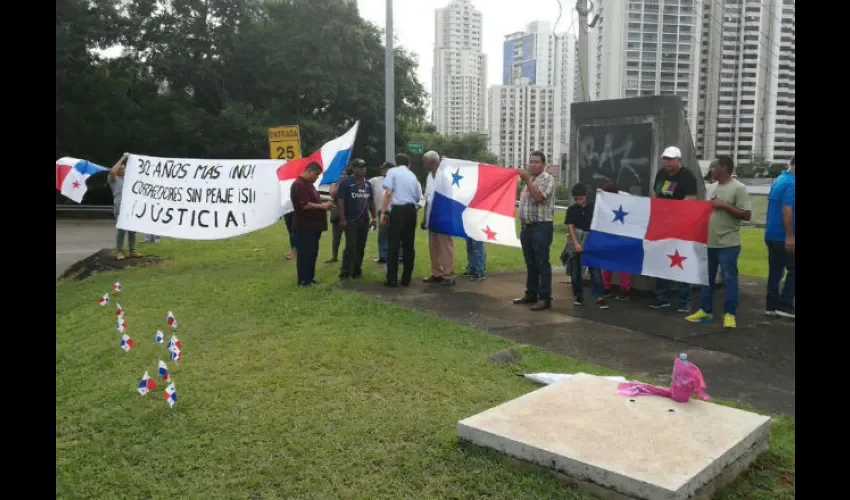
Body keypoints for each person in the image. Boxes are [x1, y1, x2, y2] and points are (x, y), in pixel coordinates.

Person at [686, 157, 752, 328]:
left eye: (714, 166)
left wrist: (724, 206)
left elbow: (747, 215)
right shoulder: (712, 188)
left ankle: (730, 314)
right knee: (707, 278)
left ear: (724, 168)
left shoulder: (739, 188)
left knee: (730, 279)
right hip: (710, 241)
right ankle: (705, 310)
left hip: (729, 243)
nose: (711, 169)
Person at [650, 146, 698, 312]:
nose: (667, 162)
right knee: (660, 260)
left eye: (671, 159)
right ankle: (661, 297)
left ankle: (685, 300)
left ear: (679, 160)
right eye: (665, 159)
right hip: (663, 225)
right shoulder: (661, 174)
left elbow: (691, 199)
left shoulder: (687, 176)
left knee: (681, 261)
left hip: (681, 226)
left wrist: (670, 208)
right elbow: (656, 194)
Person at [513, 151, 556, 311]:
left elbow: (539, 197)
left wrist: (525, 180)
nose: (532, 165)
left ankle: (544, 298)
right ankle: (531, 293)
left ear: (544, 165)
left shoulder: (547, 179)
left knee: (542, 262)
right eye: (531, 162)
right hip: (527, 228)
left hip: (541, 227)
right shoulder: (530, 180)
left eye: (536, 162)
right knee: (530, 263)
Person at [380, 153, 422, 287]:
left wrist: (384, 212)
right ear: (408, 162)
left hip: (397, 210)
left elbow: (388, 192)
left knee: (394, 244)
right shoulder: (412, 175)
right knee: (409, 245)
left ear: (396, 162)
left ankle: (392, 278)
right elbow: (417, 197)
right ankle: (406, 279)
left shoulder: (392, 172)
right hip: (411, 210)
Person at [565, 183, 607, 309]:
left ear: (586, 196)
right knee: (575, 271)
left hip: (591, 239)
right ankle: (578, 295)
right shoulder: (572, 209)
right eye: (576, 199)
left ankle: (600, 296)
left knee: (595, 270)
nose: (578, 201)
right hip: (577, 238)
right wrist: (576, 243)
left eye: (581, 199)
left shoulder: (594, 207)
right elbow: (570, 227)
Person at [291, 162, 334, 287]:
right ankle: (303, 280)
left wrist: (325, 203)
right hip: (305, 225)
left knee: (312, 252)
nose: (316, 177)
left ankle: (310, 278)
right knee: (305, 253)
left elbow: (314, 201)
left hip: (314, 225)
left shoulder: (309, 184)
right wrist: (323, 206)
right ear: (309, 171)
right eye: (316, 174)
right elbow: (305, 204)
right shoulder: (299, 184)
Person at [764, 155, 795, 319]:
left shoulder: (779, 180)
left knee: (775, 271)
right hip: (783, 235)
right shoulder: (792, 183)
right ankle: (785, 305)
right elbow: (787, 210)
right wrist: (790, 236)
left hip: (771, 233)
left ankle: (771, 305)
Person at [421, 151, 456, 285]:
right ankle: (437, 273)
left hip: (443, 216)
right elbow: (427, 198)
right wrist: (425, 218)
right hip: (431, 216)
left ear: (432, 162)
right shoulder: (429, 176)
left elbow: (450, 198)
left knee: (445, 245)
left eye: (425, 161)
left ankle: (449, 274)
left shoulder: (445, 176)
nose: (424, 164)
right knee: (433, 246)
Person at [337, 158, 375, 279]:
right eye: (359, 167)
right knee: (350, 246)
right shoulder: (346, 183)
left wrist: (374, 217)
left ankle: (357, 269)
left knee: (361, 246)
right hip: (351, 220)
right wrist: (342, 219)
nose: (362, 169)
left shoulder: (368, 184)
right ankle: (345, 271)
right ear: (353, 168)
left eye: (363, 167)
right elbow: (340, 201)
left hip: (364, 220)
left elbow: (371, 201)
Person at [599, 182, 630, 300]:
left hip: (624, 233)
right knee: (606, 262)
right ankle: (606, 288)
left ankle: (625, 290)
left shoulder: (627, 198)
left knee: (623, 263)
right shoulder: (603, 198)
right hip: (610, 232)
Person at [107, 153, 142, 260]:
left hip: (131, 205)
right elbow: (113, 171)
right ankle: (119, 251)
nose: (122, 169)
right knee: (121, 229)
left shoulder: (128, 178)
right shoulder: (113, 178)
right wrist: (123, 158)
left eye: (124, 168)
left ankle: (133, 250)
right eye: (120, 168)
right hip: (120, 205)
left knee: (132, 229)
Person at [326, 167, 351, 263]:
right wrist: (340, 182)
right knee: (336, 237)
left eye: (344, 173)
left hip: (348, 212)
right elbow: (333, 194)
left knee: (350, 237)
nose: (342, 175)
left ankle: (348, 258)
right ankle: (334, 256)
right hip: (337, 213)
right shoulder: (334, 182)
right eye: (340, 173)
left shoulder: (350, 182)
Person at [370, 161, 392, 263]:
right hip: (383, 211)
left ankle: (399, 255)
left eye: (385, 168)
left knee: (397, 233)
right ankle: (383, 255)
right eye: (382, 168)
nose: (383, 170)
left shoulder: (396, 179)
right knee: (383, 233)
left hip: (394, 210)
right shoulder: (376, 180)